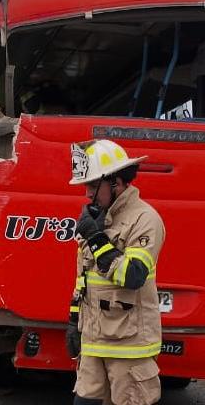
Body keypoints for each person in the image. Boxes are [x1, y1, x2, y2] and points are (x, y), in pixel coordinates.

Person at [66, 140, 165, 405]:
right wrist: (73, 322)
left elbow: (132, 276)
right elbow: (83, 278)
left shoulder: (145, 219)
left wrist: (96, 239)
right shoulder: (97, 218)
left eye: (92, 185)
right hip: (93, 345)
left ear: (116, 182)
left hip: (130, 351)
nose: (87, 194)